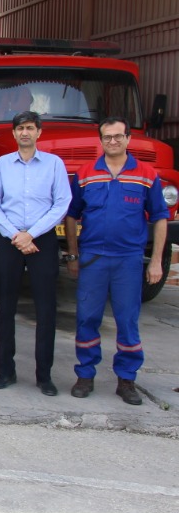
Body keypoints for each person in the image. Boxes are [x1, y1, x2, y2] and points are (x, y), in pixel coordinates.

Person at [64, 117, 169, 405]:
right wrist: (73, 254)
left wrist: (156, 261)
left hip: (128, 260)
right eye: (107, 137)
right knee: (87, 318)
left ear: (128, 139)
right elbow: (71, 215)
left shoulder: (146, 174)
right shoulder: (85, 173)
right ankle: (85, 375)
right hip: (93, 259)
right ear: (101, 140)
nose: (113, 141)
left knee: (127, 321)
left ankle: (126, 379)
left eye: (118, 136)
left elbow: (161, 217)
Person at [0, 110, 71, 396]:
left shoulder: (54, 164)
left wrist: (31, 234)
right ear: (13, 133)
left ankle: (44, 376)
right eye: (20, 128)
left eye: (30, 128)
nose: (25, 133)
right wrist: (15, 235)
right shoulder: (2, 164)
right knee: (6, 308)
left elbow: (62, 203)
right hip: (9, 240)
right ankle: (5, 372)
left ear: (39, 132)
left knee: (46, 309)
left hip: (41, 240)